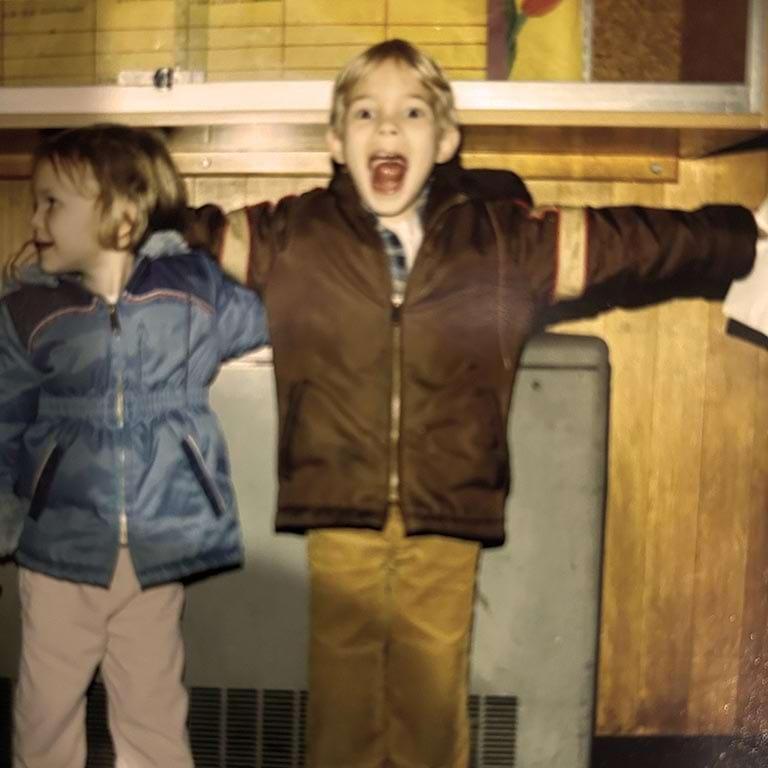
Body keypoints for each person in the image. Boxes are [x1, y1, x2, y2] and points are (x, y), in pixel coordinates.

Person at [188, 39, 764, 768]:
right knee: (342, 694)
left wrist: (737, 236)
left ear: (445, 140)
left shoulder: (501, 240)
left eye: (412, 113)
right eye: (365, 113)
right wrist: (110, 217)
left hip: (450, 504)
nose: (387, 127)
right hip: (337, 502)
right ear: (335, 141)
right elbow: (182, 229)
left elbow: (630, 241)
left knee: (431, 691)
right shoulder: (291, 234)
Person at [0, 123, 269, 768]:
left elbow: (276, 312)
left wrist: (211, 248)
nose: (34, 219)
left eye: (52, 203)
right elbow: (5, 417)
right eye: (35, 203)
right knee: (45, 709)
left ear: (122, 218)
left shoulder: (192, 291)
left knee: (152, 706)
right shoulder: (28, 310)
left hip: (157, 544)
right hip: (59, 547)